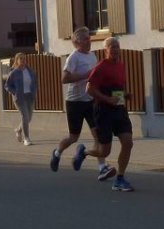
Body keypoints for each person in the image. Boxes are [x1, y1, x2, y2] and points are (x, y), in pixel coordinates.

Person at [49, 26, 115, 181]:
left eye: (89, 38)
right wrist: (86, 75)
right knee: (73, 137)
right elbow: (64, 78)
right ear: (78, 42)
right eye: (86, 39)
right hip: (75, 102)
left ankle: (102, 168)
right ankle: (57, 153)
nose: (89, 41)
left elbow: (95, 77)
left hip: (90, 101)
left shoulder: (92, 56)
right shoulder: (74, 57)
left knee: (98, 135)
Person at [72, 37, 135, 192]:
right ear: (105, 50)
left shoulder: (121, 65)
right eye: (112, 46)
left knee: (128, 142)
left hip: (119, 109)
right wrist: (107, 99)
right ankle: (84, 152)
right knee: (104, 151)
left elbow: (117, 88)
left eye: (117, 46)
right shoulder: (100, 67)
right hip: (103, 111)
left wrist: (125, 95)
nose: (115, 49)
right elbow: (89, 89)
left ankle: (120, 178)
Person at [5, 53, 36, 146]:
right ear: (17, 60)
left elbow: (34, 82)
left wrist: (34, 91)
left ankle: (18, 130)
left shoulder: (30, 71)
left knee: (29, 118)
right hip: (20, 98)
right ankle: (26, 138)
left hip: (29, 96)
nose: (23, 60)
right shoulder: (14, 73)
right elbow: (7, 86)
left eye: (24, 58)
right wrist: (15, 92)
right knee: (25, 117)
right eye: (21, 59)